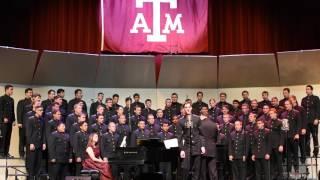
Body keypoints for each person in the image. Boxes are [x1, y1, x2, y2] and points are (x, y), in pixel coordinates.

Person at [179, 102, 205, 180]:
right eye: (186, 107)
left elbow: (201, 134)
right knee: (186, 169)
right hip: (187, 147)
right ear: (184, 109)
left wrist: (202, 145)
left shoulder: (197, 119)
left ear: (191, 108)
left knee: (196, 169)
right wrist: (181, 149)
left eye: (189, 107)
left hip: (197, 146)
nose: (187, 108)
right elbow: (179, 136)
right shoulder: (181, 121)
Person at [25, 106, 46, 179]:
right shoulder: (30, 119)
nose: (42, 111)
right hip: (33, 144)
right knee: (32, 162)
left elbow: (43, 133)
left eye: (42, 110)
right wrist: (31, 143)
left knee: (39, 163)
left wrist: (44, 143)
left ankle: (37, 177)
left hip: (40, 144)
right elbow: (28, 133)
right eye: (40, 110)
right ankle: (30, 177)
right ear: (36, 111)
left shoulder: (42, 120)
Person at [280, 100, 300, 174]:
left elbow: (299, 124)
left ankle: (296, 168)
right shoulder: (283, 114)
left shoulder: (296, 113)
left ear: (291, 104)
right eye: (285, 104)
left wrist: (297, 133)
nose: (286, 105)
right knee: (288, 153)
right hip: (287, 136)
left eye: (288, 104)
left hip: (294, 136)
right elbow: (283, 127)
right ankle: (289, 169)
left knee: (295, 153)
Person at [199, 106, 218, 180]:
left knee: (202, 170)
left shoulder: (199, 124)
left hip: (202, 149)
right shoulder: (214, 124)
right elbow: (216, 136)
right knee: (213, 170)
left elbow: (198, 136)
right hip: (212, 148)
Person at [301, 85, 320, 157]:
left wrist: (317, 118)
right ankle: (307, 153)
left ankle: (315, 153)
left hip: (314, 121)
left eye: (308, 89)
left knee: (315, 137)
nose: (307, 91)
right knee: (307, 137)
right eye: (306, 89)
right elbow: (302, 111)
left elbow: (318, 109)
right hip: (306, 121)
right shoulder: (303, 99)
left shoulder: (316, 98)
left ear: (312, 90)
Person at [266, 108, 284, 180]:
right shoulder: (268, 122)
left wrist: (281, 145)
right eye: (270, 114)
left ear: (276, 114)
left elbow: (282, 134)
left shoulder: (280, 122)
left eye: (272, 113)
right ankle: (273, 175)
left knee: (279, 161)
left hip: (277, 144)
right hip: (270, 145)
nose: (271, 115)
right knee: (272, 161)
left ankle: (280, 176)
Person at [16, 88, 33, 158]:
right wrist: (19, 122)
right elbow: (19, 112)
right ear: (26, 93)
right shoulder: (21, 102)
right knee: (22, 139)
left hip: (31, 125)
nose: (30, 94)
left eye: (31, 93)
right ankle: (21, 154)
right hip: (23, 124)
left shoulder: (33, 102)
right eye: (29, 92)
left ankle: (28, 154)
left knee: (29, 139)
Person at [0, 84, 15, 158]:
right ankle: (1, 153)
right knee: (3, 137)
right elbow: (0, 110)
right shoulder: (2, 98)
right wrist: (3, 118)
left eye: (12, 89)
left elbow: (12, 111)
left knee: (8, 137)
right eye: (11, 89)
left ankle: (6, 152)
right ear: (6, 89)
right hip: (3, 122)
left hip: (10, 121)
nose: (12, 91)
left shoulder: (12, 100)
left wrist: (14, 120)